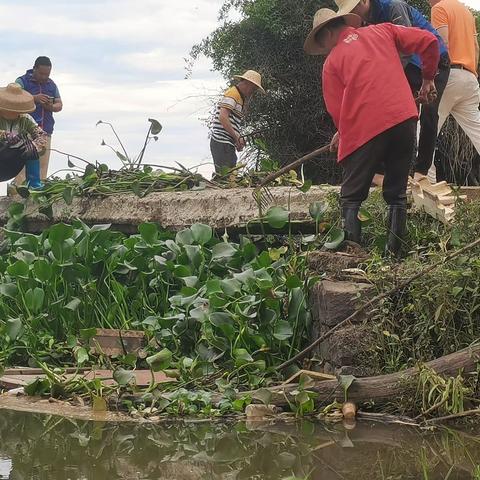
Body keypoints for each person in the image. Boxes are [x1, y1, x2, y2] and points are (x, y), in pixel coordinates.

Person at [304, 9, 439, 256]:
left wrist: (343, 132)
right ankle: (394, 256)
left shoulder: (332, 63)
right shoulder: (383, 30)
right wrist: (428, 78)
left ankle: (352, 255)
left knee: (351, 196)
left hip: (367, 125)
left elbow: (336, 110)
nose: (323, 49)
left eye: (322, 43)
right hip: (403, 118)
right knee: (396, 194)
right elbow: (430, 40)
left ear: (328, 33)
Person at [335, 0, 450, 182]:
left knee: (429, 114)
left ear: (365, 1)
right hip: (407, 67)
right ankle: (386, 172)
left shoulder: (393, 7)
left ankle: (421, 172)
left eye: (355, 8)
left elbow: (406, 46)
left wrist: (426, 79)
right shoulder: (364, 23)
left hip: (433, 60)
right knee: (401, 115)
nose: (355, 13)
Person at [429, 0, 480, 180]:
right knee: (477, 129)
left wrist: (431, 77)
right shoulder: (466, 12)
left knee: (427, 127)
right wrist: (473, 74)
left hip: (450, 75)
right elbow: (475, 48)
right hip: (470, 77)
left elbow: (442, 44)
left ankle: (426, 181)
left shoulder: (439, 8)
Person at [14, 56, 62, 184]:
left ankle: (38, 191)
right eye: (41, 73)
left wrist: (50, 106)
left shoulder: (51, 85)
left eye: (47, 74)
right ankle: (19, 190)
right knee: (22, 162)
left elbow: (59, 105)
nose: (44, 77)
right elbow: (14, 97)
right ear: (34, 68)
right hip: (25, 131)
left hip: (45, 130)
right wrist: (34, 98)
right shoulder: (22, 81)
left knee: (42, 162)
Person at [210, 70, 265, 175]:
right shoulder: (233, 93)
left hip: (227, 142)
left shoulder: (240, 98)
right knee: (225, 176)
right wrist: (236, 137)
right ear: (248, 83)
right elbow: (223, 117)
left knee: (230, 174)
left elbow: (232, 123)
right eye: (253, 88)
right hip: (221, 141)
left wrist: (237, 138)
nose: (253, 92)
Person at [0, 84, 48, 188]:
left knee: (31, 149)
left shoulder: (25, 119)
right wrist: (5, 136)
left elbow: (41, 135)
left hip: (13, 161)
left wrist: (35, 145)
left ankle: (34, 185)